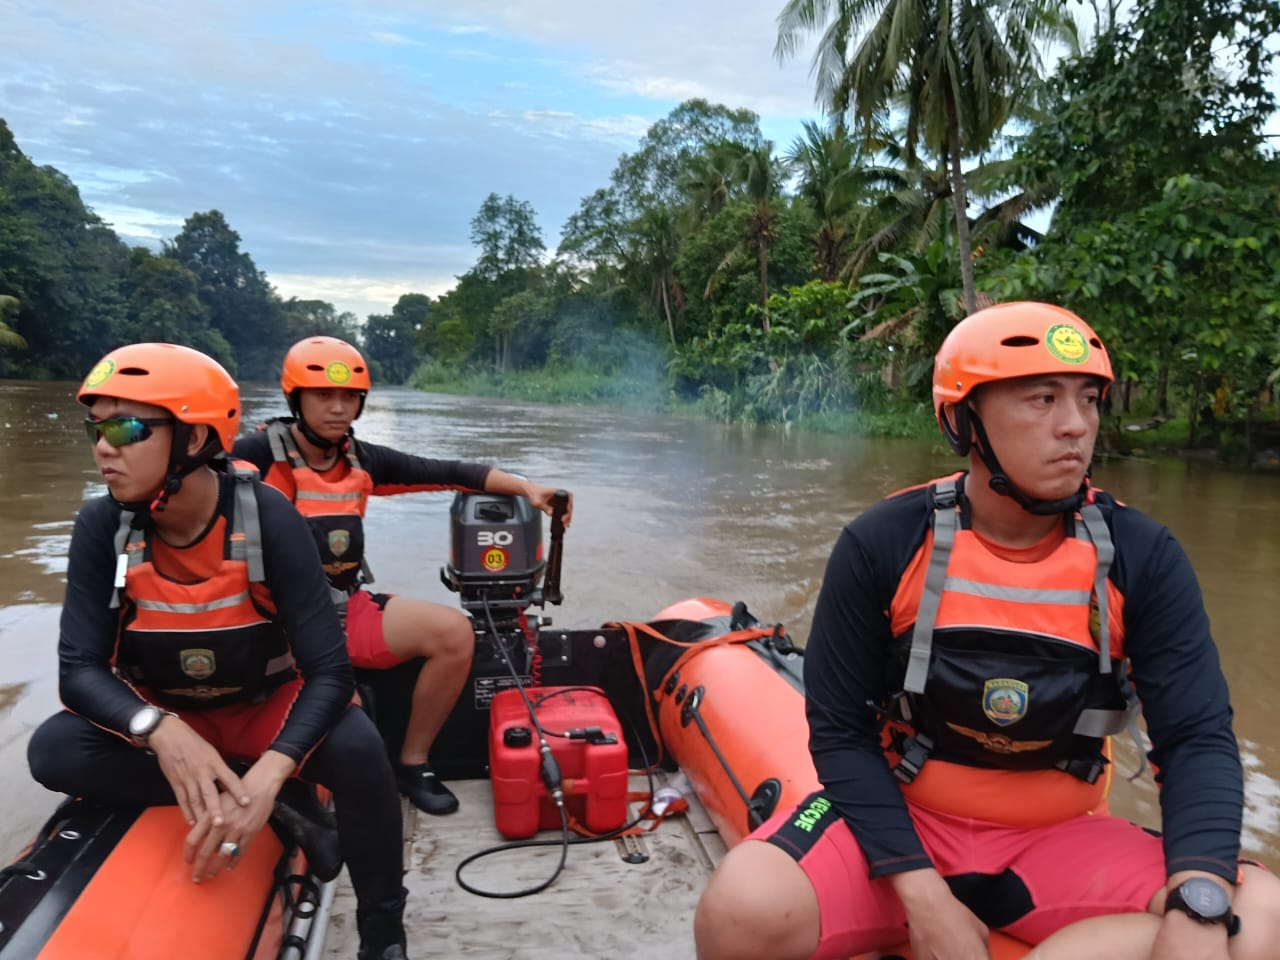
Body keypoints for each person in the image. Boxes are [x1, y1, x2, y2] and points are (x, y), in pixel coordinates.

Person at [694, 302, 1280, 960]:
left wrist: (1197, 902)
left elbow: (1197, 739)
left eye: (1089, 400)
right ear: (963, 420)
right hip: (905, 819)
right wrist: (921, 892)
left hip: (1058, 839)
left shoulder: (1141, 555)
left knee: (1259, 914)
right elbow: (838, 731)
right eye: (1042, 399)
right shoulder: (885, 543)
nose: (1076, 426)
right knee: (740, 908)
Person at [27, 343, 410, 960]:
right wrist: (161, 730)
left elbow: (330, 672)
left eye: (126, 428)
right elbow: (79, 672)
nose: (104, 447)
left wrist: (279, 762)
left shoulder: (268, 518)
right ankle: (276, 801)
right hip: (168, 712)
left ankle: (384, 933)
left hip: (262, 706)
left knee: (362, 751)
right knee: (53, 750)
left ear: (195, 436)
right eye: (95, 428)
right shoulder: (101, 527)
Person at [232, 335, 572, 816]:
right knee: (333, 704)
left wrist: (529, 489)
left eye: (348, 397)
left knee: (454, 634)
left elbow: (449, 471)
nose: (337, 408)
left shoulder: (360, 460)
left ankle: (413, 762)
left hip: (339, 610)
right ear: (295, 400)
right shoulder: (254, 457)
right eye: (323, 396)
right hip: (271, 622)